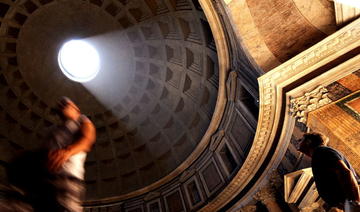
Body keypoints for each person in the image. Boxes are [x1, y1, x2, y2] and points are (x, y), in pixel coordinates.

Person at [45, 97, 96, 212]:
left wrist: (67, 151)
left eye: (67, 105)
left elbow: (87, 140)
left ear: (76, 109)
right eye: (61, 105)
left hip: (69, 179)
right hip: (47, 181)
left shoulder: (82, 120)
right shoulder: (53, 130)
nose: (63, 106)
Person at [298, 133, 360, 211]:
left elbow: (345, 172)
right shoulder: (318, 155)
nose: (298, 141)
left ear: (308, 141)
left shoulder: (320, 151)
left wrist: (355, 202)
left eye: (301, 140)